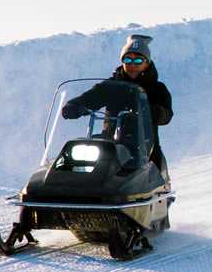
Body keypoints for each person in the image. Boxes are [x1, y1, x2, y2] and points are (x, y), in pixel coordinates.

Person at [62, 33, 174, 171]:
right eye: (127, 60)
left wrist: (151, 111)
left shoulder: (157, 89)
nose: (132, 65)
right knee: (76, 162)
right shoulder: (112, 86)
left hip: (144, 149)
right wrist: (75, 106)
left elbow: (167, 115)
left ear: (147, 63)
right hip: (111, 144)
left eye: (138, 60)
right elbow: (92, 97)